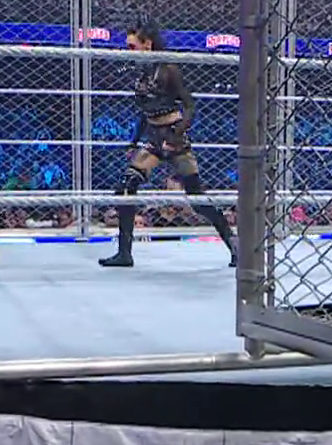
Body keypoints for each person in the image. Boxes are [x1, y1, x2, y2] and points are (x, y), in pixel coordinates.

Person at [99, 24, 237, 269]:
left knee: (196, 198)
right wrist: (134, 141)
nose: (128, 51)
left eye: (132, 46)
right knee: (126, 187)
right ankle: (124, 252)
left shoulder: (168, 70)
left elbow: (190, 106)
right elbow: (144, 112)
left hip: (174, 135)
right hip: (153, 139)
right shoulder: (142, 72)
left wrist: (176, 136)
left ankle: (234, 246)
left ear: (147, 44)